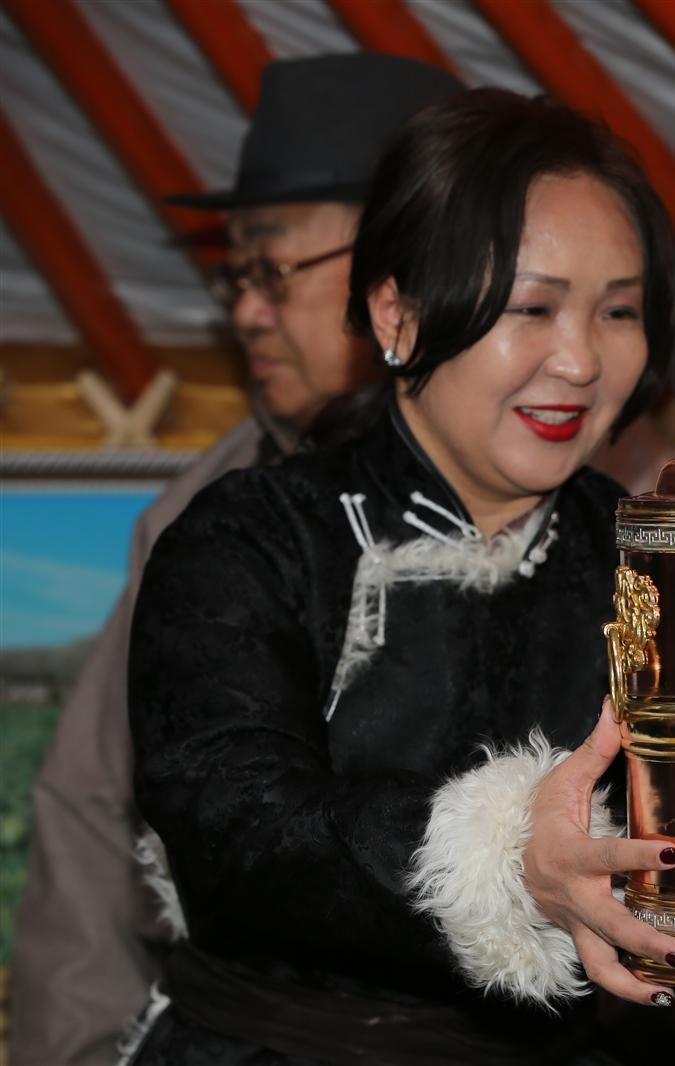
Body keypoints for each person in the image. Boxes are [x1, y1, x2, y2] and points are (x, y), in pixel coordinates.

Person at [123, 89, 675, 1064]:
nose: (583, 358)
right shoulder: (251, 538)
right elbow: (235, 820)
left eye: (620, 311)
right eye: (533, 306)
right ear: (398, 310)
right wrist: (503, 857)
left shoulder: (659, 553)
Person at [10, 53, 463, 1066]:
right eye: (237, 274)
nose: (245, 310)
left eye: (274, 271)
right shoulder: (197, 513)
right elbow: (91, 812)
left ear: (406, 272)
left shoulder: (572, 500)